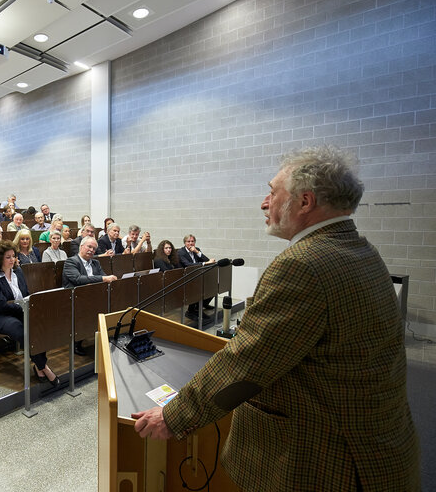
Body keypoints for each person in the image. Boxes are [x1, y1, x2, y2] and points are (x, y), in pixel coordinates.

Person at [132, 146, 420, 491]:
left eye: (272, 192)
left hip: (325, 461)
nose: (264, 202)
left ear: (305, 202)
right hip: (372, 446)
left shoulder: (305, 263)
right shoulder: (361, 250)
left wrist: (172, 415)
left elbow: (246, 362)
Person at [0, 240, 58, 386]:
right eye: (8, 257)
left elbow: (26, 293)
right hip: (1, 316)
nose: (12, 260)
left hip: (19, 311)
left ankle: (39, 365)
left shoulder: (18, 272)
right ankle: (44, 367)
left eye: (13, 256)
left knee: (39, 327)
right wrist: (24, 308)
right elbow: (1, 305)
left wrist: (30, 306)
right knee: (21, 330)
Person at [62, 235, 118, 355]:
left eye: (94, 248)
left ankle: (107, 337)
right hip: (74, 296)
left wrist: (106, 279)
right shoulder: (71, 261)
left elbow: (104, 277)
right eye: (89, 247)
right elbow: (78, 279)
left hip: (93, 294)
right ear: (81, 246)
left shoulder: (95, 263)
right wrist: (103, 278)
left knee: (112, 301)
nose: (91, 250)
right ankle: (76, 342)